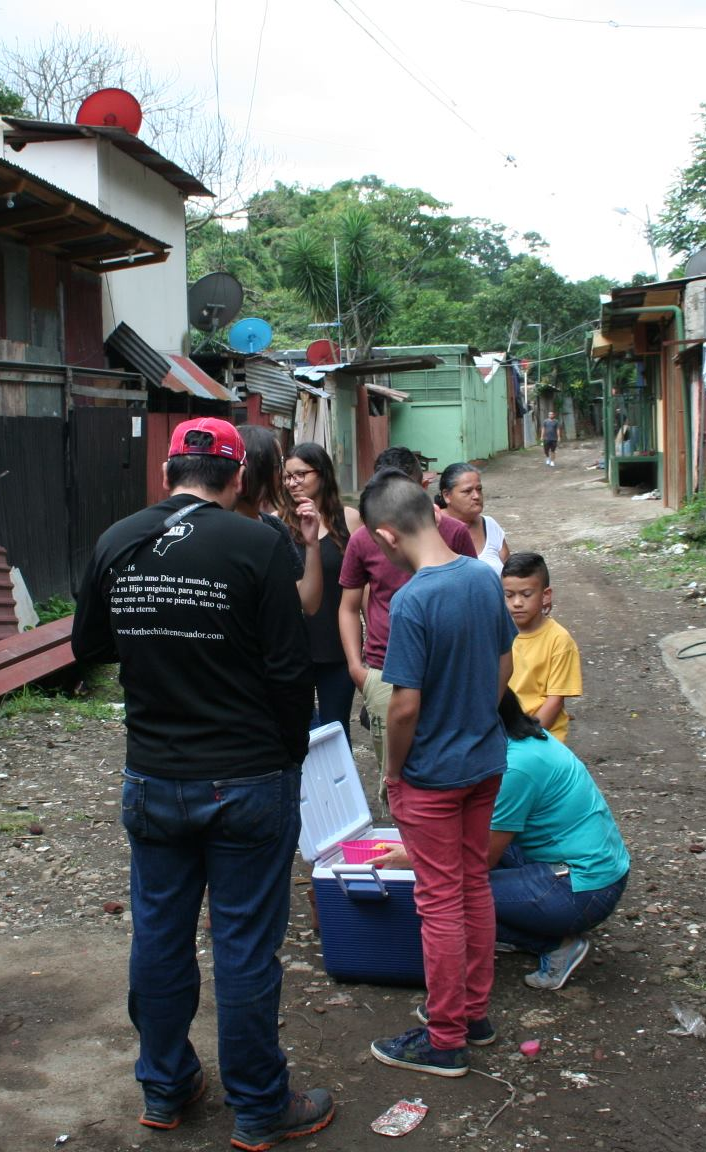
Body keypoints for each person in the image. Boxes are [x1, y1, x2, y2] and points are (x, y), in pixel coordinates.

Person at [71, 417, 335, 1150]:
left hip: (155, 774)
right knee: (244, 946)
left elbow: (87, 646)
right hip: (248, 775)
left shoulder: (116, 541)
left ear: (165, 474)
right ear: (240, 480)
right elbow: (290, 670)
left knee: (159, 934)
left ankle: (164, 1087)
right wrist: (286, 757)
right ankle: (258, 1108)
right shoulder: (259, 545)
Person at [360, 469, 515, 1079]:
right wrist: (477, 714)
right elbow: (504, 662)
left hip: (431, 773)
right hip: (485, 760)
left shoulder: (413, 600)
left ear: (385, 535)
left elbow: (403, 705)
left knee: (440, 900)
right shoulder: (482, 574)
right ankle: (473, 1014)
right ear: (432, 508)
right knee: (473, 882)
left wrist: (395, 771)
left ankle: (445, 1037)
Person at [372, 690, 629, 995]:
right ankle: (521, 921)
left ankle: (555, 943)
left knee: (451, 897)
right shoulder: (523, 740)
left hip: (584, 887)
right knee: (463, 862)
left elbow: (480, 858)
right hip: (582, 869)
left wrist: (414, 858)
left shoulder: (514, 766)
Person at [339, 447, 478, 792]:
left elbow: (473, 605)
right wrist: (358, 669)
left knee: (441, 770)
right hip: (385, 669)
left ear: (420, 487)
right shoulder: (362, 539)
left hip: (447, 667)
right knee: (399, 779)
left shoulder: (455, 535)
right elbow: (347, 606)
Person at [282, 442, 361, 736]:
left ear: (323, 473)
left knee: (336, 730)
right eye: (288, 476)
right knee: (296, 731)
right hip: (294, 647)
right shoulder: (280, 523)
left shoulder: (349, 519)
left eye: (301, 473)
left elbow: (363, 585)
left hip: (337, 645)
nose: (293, 482)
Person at [237, 424, 322, 615]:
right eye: (280, 465)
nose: (283, 475)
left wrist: (312, 544)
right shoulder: (218, 528)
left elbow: (307, 603)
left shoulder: (274, 526)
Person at [501, 552, 583, 744]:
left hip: (541, 736)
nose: (517, 603)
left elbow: (554, 702)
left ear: (545, 596)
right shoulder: (497, 633)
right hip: (503, 734)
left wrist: (528, 738)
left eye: (526, 594)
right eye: (509, 595)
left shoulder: (559, 640)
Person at [438, 462, 510, 576]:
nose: (476, 496)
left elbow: (509, 574)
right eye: (467, 491)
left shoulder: (490, 525)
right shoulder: (433, 528)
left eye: (479, 489)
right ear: (447, 495)